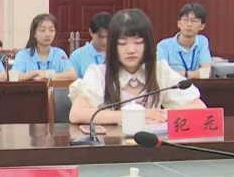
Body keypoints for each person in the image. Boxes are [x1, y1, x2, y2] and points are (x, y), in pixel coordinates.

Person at [69, 9, 205, 125]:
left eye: (138, 42)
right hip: (111, 145)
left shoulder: (160, 71)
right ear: (112, 47)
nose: (131, 50)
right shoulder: (98, 74)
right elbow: (76, 114)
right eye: (122, 43)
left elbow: (199, 108)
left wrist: (165, 114)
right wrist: (137, 115)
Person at [12, 14, 76, 82]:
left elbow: (72, 74)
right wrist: (35, 73)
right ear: (34, 34)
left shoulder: (59, 54)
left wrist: (48, 76)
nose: (47, 34)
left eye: (51, 30)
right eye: (42, 30)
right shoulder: (23, 55)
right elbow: (14, 77)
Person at [157, 3, 213, 79]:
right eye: (185, 20)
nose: (189, 24)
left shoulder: (202, 41)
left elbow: (206, 73)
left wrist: (183, 74)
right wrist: (196, 74)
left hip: (197, 86)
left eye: (194, 21)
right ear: (178, 23)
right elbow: (162, 74)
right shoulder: (163, 46)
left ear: (202, 26)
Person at [70, 12, 111, 79]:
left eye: (108, 37)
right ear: (91, 32)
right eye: (100, 37)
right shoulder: (77, 56)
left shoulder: (118, 54)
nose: (105, 41)